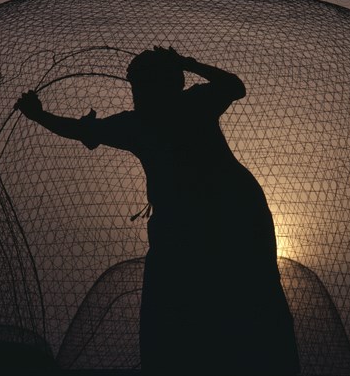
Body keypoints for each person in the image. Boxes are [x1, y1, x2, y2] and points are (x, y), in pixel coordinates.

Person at [16, 47, 300, 375]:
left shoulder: (150, 119)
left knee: (205, 307)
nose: (136, 92)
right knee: (234, 302)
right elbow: (234, 86)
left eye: (140, 84)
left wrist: (39, 115)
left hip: (223, 221)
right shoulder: (186, 106)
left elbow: (81, 130)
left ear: (163, 84)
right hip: (232, 214)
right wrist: (188, 64)